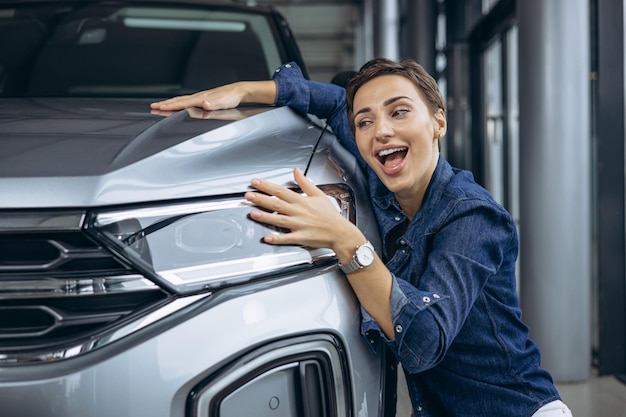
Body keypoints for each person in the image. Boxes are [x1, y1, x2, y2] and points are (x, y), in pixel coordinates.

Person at [151, 58, 573, 417]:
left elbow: (425, 340)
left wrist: (345, 239)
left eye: (400, 112)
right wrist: (245, 90)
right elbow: (334, 101)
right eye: (365, 122)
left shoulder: (472, 216)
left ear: (438, 122)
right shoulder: (383, 180)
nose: (381, 131)